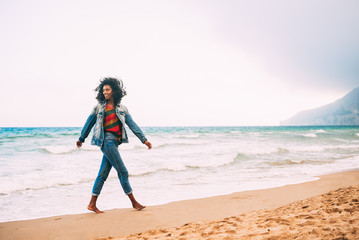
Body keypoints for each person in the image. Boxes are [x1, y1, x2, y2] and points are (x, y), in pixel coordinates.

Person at [76, 77, 152, 213]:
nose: (104, 92)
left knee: (103, 174)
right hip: (106, 141)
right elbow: (89, 123)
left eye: (107, 90)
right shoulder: (99, 107)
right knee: (123, 172)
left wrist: (143, 139)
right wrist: (82, 138)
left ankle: (92, 204)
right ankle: (134, 203)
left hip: (115, 143)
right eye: (103, 90)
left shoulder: (122, 108)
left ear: (114, 91)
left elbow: (132, 124)